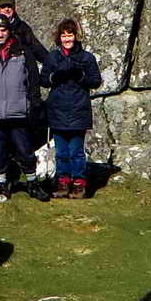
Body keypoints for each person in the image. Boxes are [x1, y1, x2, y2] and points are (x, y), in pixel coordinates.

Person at [0, 21, 49, 202]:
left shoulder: (23, 52)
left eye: (3, 31)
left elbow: (33, 78)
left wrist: (33, 102)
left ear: (9, 32)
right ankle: (1, 184)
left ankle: (32, 183)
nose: (0, 34)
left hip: (18, 111)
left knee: (25, 149)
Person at [42, 18, 102, 199]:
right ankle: (62, 182)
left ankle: (79, 184)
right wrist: (55, 76)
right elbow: (43, 80)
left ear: (76, 36)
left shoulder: (86, 58)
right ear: (59, 37)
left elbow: (96, 81)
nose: (67, 39)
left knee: (76, 150)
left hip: (78, 110)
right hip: (57, 110)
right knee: (61, 152)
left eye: (70, 35)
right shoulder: (53, 57)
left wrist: (81, 76)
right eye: (64, 35)